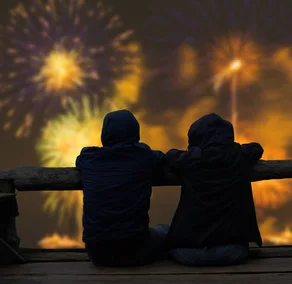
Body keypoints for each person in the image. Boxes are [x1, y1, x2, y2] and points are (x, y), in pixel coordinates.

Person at [165, 113, 263, 266]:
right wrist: (231, 149)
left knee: (163, 230)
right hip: (231, 252)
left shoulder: (188, 161)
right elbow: (257, 149)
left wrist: (193, 152)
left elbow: (170, 155)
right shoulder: (239, 156)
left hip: (188, 253)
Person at [76, 109, 169, 267]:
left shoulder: (88, 159)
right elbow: (161, 158)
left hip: (97, 254)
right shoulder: (144, 156)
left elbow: (81, 158)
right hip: (136, 251)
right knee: (166, 231)